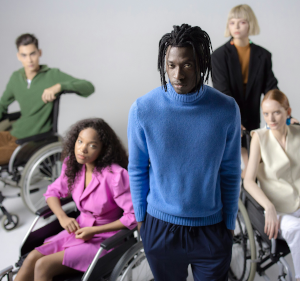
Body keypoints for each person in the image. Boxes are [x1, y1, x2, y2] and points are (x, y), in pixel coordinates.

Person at [128, 24, 241, 281]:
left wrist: (229, 222)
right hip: (160, 227)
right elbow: (136, 168)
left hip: (212, 228)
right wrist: (141, 220)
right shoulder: (143, 109)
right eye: (171, 65)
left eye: (187, 65)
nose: (178, 75)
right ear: (164, 65)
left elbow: (231, 170)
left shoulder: (226, 109)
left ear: (201, 64)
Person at [14, 118, 136, 281]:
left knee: (43, 265)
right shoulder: (73, 165)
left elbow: (133, 216)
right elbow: (52, 192)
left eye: (92, 145)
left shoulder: (116, 176)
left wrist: (94, 230)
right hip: (77, 229)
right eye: (80, 141)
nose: (82, 149)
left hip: (106, 238)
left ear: (104, 149)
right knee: (32, 258)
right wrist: (62, 217)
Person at [0, 33, 95, 165]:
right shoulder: (16, 78)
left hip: (29, 141)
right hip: (12, 133)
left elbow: (89, 87)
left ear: (39, 53)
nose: (29, 60)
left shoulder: (52, 75)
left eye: (32, 54)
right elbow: (2, 104)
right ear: (18, 56)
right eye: (24, 55)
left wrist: (59, 86)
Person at [211, 4, 278, 177]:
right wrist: (235, 118)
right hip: (228, 119)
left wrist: (283, 111)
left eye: (241, 22)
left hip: (253, 121)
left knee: (256, 169)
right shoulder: (218, 56)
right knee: (236, 170)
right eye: (232, 22)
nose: (236, 27)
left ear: (250, 24)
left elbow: (271, 87)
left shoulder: (263, 55)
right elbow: (222, 92)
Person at [244, 89, 300, 281]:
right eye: (266, 114)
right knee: (296, 229)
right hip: (279, 209)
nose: (271, 118)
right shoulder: (260, 137)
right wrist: (268, 207)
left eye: (276, 112)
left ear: (288, 111)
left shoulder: (297, 132)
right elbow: (249, 181)